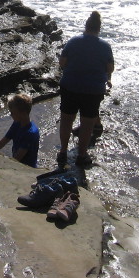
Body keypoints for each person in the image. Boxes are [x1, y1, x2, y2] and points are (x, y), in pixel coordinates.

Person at [57, 11, 114, 167]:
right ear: (99, 29)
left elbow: (62, 63)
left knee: (66, 119)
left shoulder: (73, 42)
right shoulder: (105, 46)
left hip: (71, 86)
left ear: (86, 26)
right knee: (87, 123)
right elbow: (110, 68)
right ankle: (81, 155)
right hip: (93, 90)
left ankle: (62, 151)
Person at [0, 93, 40, 168]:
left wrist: (3, 167)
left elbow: (18, 158)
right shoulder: (17, 124)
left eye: (12, 112)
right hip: (17, 163)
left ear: (22, 113)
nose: (10, 115)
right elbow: (3, 142)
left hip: (27, 168)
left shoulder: (30, 133)